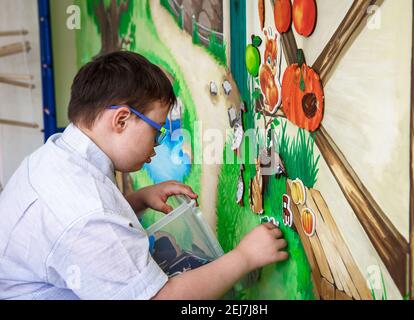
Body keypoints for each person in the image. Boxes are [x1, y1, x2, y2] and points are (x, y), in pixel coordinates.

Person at [0, 51, 288, 300]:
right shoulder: (86, 214)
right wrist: (245, 257)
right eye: (157, 129)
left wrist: (136, 199)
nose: (158, 142)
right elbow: (158, 297)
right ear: (121, 120)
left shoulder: (59, 155)